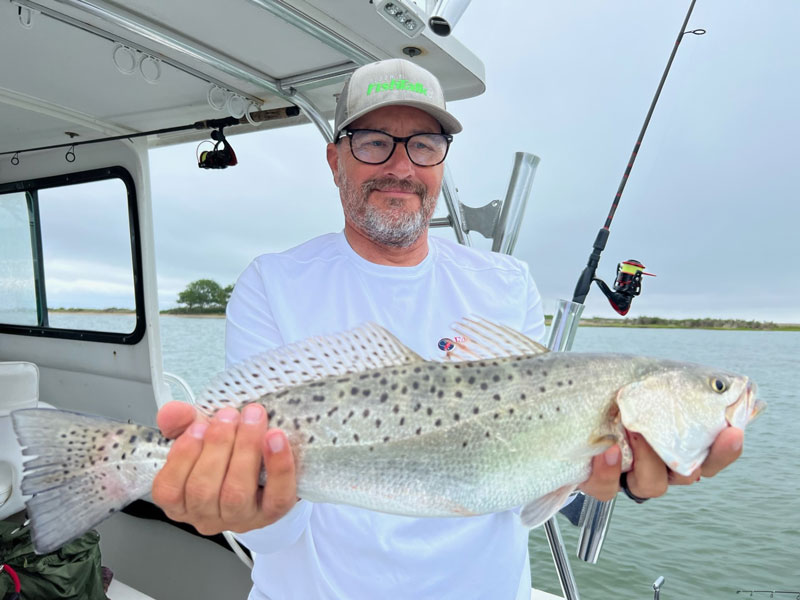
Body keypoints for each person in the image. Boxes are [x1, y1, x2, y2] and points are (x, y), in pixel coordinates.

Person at [152, 58, 744, 599]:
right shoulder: (272, 283)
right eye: (375, 142)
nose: (401, 166)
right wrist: (244, 506)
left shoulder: (506, 283)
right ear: (335, 160)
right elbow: (277, 534)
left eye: (425, 144)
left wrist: (612, 475)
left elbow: (522, 481)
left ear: (443, 159)